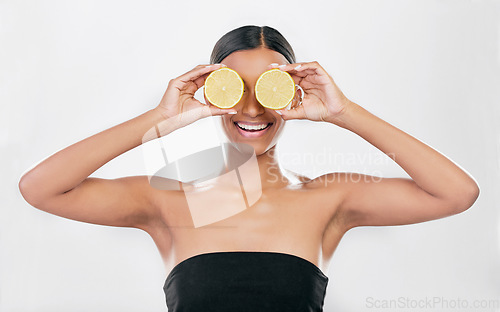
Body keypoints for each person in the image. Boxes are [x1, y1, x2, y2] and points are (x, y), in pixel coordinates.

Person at [18, 25, 480, 311]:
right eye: (233, 87)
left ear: (294, 93)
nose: (253, 108)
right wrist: (158, 119)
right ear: (210, 91)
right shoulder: (166, 199)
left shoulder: (330, 199)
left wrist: (345, 112)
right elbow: (40, 189)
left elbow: (456, 193)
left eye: (270, 88)